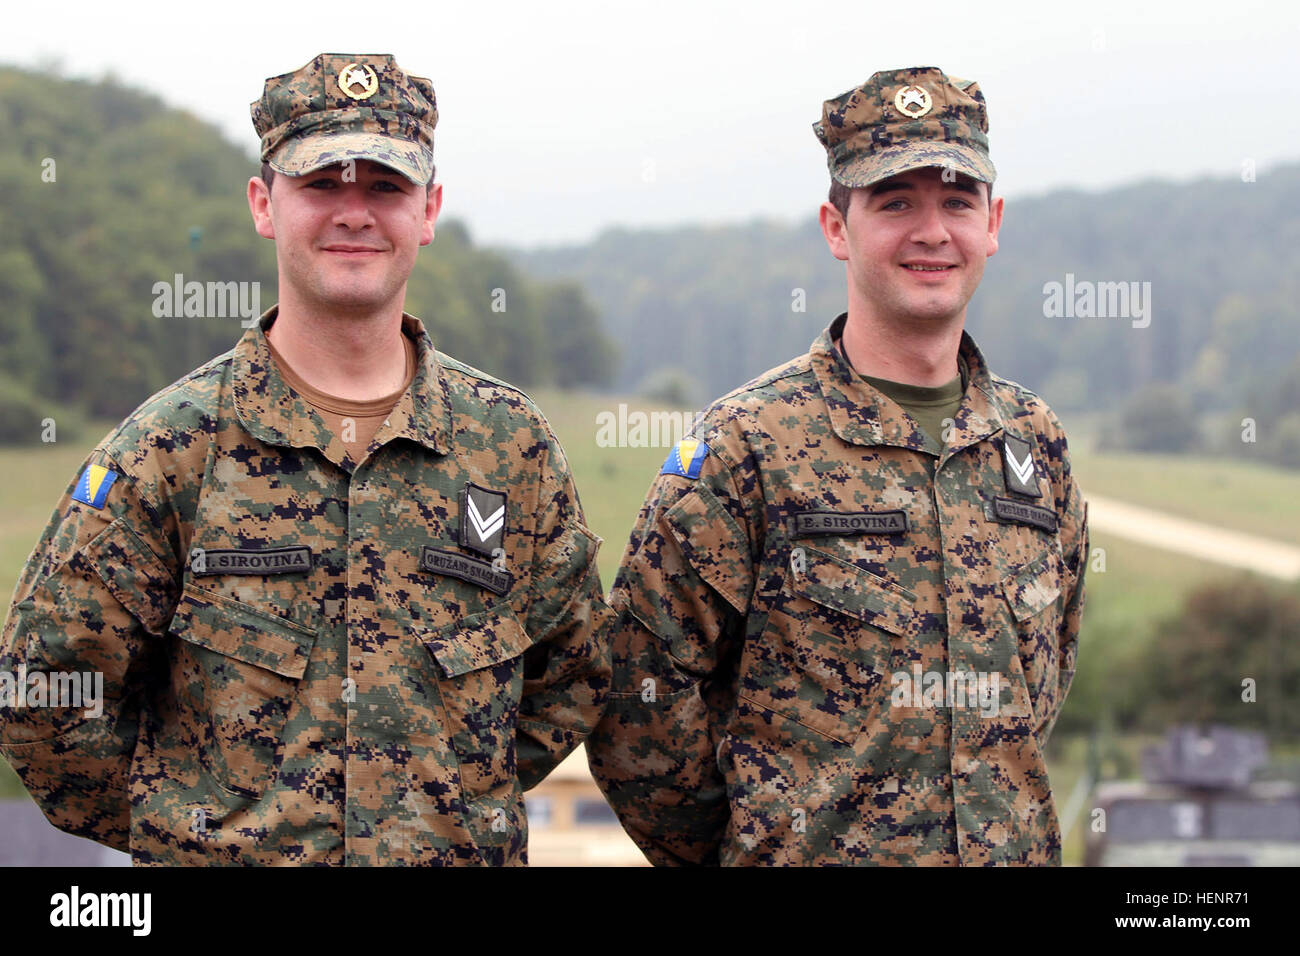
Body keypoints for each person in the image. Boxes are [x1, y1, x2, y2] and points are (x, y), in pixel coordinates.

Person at [0, 52, 611, 865]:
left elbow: (571, 677)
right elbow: (46, 693)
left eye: (385, 188)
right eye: (323, 184)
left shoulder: (510, 448)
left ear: (428, 210)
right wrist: (190, 834)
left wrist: (441, 810)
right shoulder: (168, 450)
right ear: (264, 204)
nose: (354, 213)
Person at [586, 66, 1089, 865]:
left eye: (957, 201)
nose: (932, 232)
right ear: (835, 226)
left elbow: (1040, 686)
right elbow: (636, 702)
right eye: (895, 203)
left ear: (992, 222)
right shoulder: (747, 445)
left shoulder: (1034, 445)